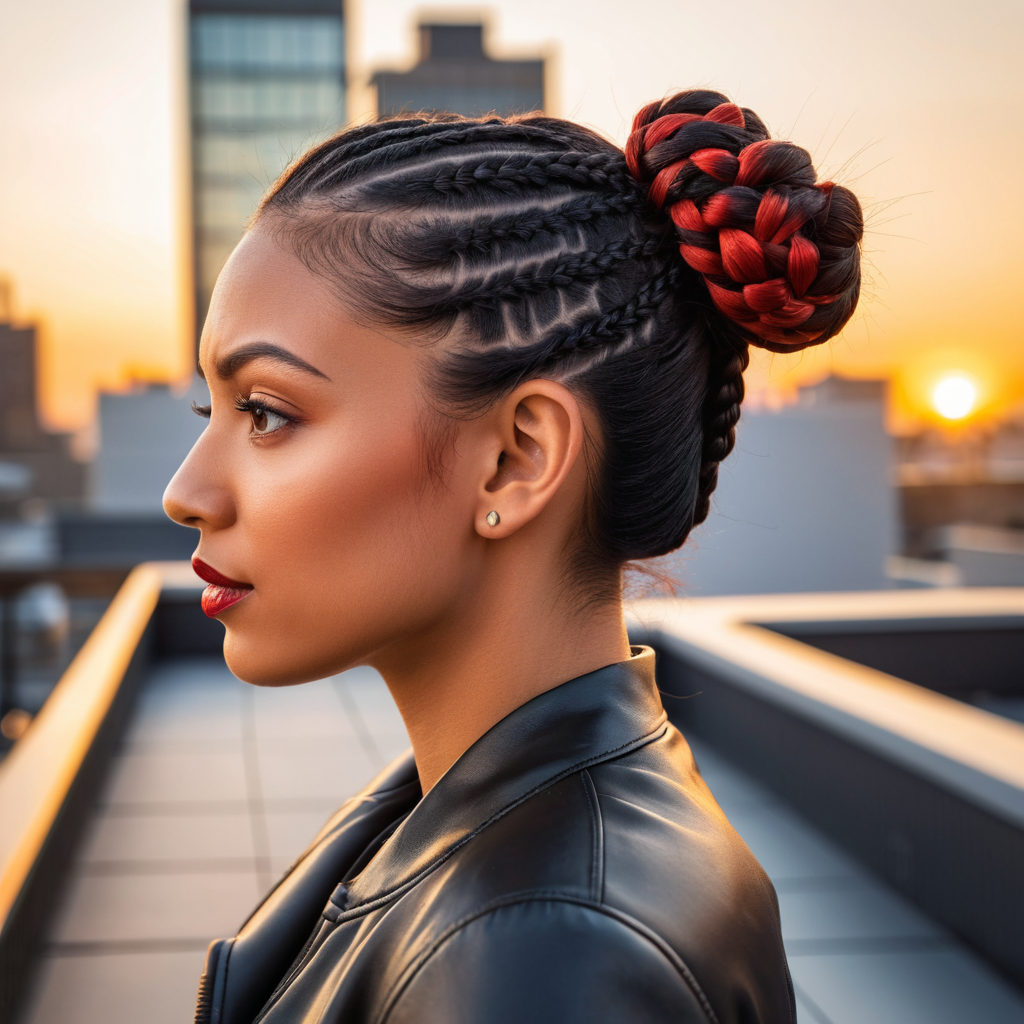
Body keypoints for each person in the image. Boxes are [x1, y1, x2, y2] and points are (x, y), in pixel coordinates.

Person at [164, 88, 862, 1024]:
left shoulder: (549, 954)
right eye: (212, 412)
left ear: (516, 460)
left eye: (267, 413)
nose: (186, 493)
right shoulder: (470, 820)